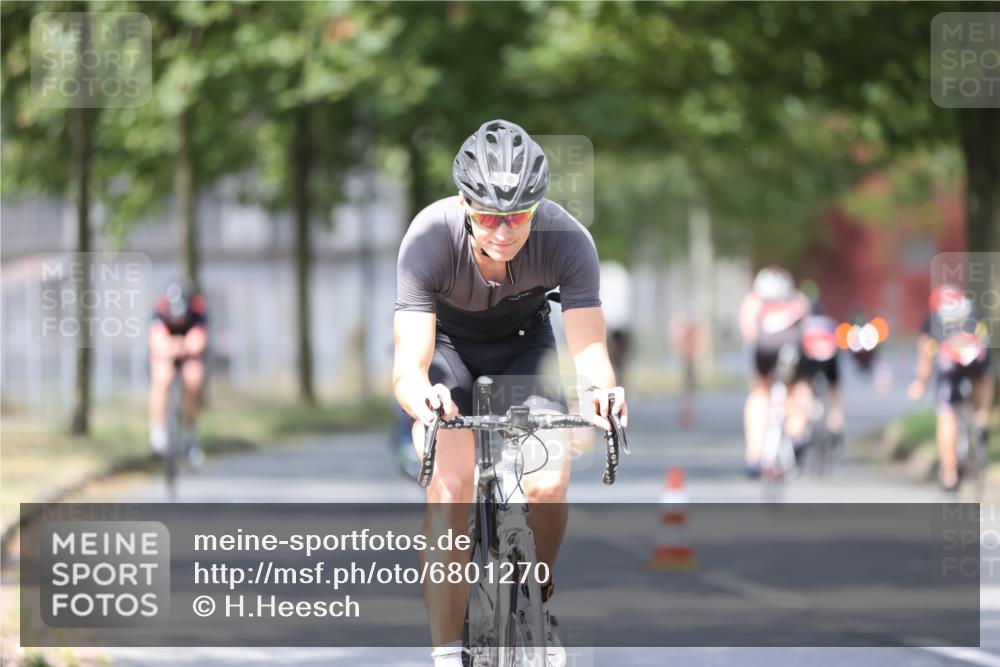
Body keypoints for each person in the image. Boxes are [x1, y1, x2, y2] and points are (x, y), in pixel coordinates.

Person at [393, 119, 628, 667]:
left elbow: (590, 350)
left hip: (526, 348)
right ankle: (447, 654)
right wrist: (422, 398)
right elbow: (409, 365)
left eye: (519, 215)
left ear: (537, 208)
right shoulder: (428, 237)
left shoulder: (568, 239)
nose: (503, 230)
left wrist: (601, 393)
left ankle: (536, 601)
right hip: (447, 353)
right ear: (464, 202)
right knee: (449, 493)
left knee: (547, 482)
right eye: (489, 215)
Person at [908, 284, 993, 492]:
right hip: (975, 352)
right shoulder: (972, 308)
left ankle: (949, 473)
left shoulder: (934, 315)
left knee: (947, 414)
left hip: (950, 357)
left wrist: (921, 382)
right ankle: (982, 419)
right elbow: (985, 337)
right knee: (984, 379)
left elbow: (925, 349)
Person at [738, 266, 811, 477]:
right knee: (798, 387)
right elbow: (806, 330)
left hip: (764, 349)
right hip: (792, 349)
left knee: (760, 392)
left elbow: (749, 332)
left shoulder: (753, 300)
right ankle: (796, 432)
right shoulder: (798, 298)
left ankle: (754, 456)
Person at [148, 279, 208, 467]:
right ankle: (158, 433)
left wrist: (184, 346)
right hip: (167, 351)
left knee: (193, 377)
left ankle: (190, 431)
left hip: (188, 354)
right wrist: (174, 347)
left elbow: (198, 341)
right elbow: (157, 341)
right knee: (161, 377)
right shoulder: (160, 309)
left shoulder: (197, 309)